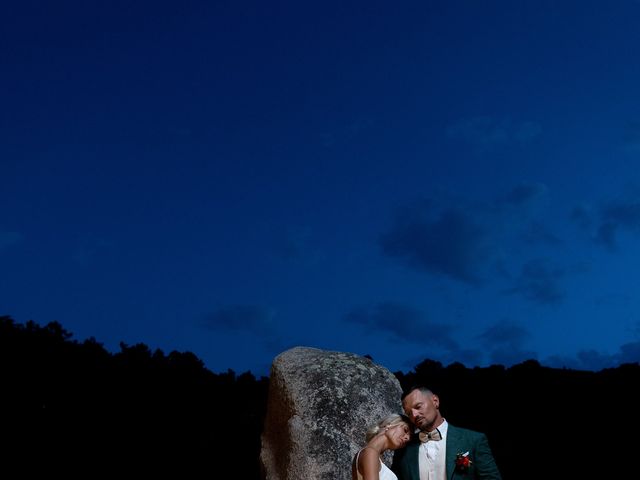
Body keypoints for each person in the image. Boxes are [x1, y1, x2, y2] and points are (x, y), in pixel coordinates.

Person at [391, 386, 502, 480]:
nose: (414, 415)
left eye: (418, 406)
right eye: (409, 413)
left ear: (435, 401)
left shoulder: (473, 440)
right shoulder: (404, 448)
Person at [352, 413, 412, 480]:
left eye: (409, 438)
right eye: (405, 430)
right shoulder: (370, 452)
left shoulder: (373, 454)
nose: (408, 438)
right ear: (389, 424)